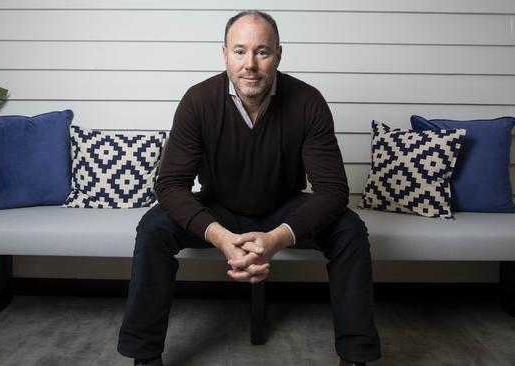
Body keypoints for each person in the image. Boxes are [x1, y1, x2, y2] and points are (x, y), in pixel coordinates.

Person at [118, 10, 380, 366]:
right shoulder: (198, 101)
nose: (250, 64)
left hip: (284, 209)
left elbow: (332, 191)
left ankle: (356, 357)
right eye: (240, 51)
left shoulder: (308, 101)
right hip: (219, 209)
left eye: (262, 51)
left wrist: (276, 239)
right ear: (224, 53)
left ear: (279, 55)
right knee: (154, 227)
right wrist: (220, 237)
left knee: (349, 229)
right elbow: (171, 186)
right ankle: (144, 356)